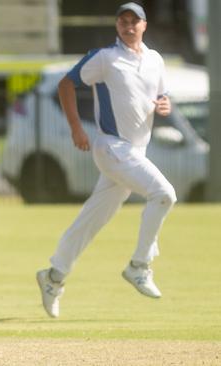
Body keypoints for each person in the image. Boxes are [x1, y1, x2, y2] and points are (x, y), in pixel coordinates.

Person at [36, 2, 177, 318]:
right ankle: (139, 265)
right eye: (123, 21)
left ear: (144, 25)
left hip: (135, 152)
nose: (128, 26)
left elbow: (162, 98)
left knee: (92, 219)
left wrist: (165, 106)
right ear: (117, 25)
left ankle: (53, 276)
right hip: (113, 147)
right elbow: (66, 83)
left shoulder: (155, 60)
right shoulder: (105, 58)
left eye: (134, 21)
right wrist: (76, 128)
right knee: (164, 194)